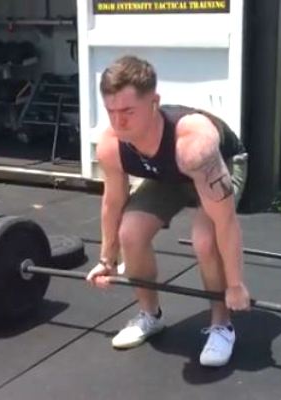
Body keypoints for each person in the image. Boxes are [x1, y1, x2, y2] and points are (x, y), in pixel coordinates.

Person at [85, 55, 251, 367]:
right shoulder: (111, 143)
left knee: (204, 239)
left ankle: (221, 325)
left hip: (217, 167)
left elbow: (225, 221)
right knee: (130, 233)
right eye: (111, 112)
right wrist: (107, 260)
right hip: (168, 175)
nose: (119, 122)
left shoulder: (194, 143)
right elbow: (113, 202)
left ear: (154, 102)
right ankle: (150, 315)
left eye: (128, 111)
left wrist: (235, 284)